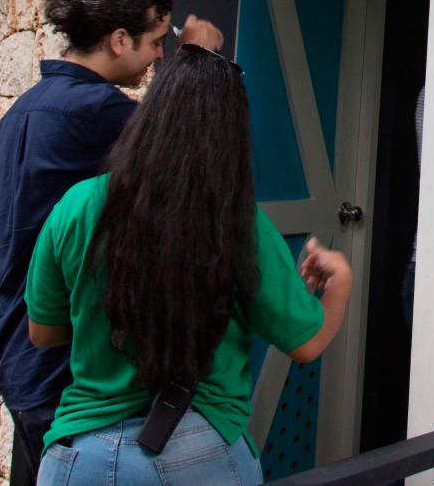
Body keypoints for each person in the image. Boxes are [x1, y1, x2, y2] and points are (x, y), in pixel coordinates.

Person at [24, 40, 354, 485]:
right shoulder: (239, 222)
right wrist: (341, 282)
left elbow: (43, 332)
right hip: (197, 455)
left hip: (78, 457)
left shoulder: (77, 205)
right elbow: (306, 342)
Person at [0, 0, 220, 486]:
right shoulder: (98, 112)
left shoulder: (19, 114)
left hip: (19, 348)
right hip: (64, 361)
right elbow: (191, 146)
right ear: (119, 40)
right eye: (157, 42)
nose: (160, 56)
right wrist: (197, 61)